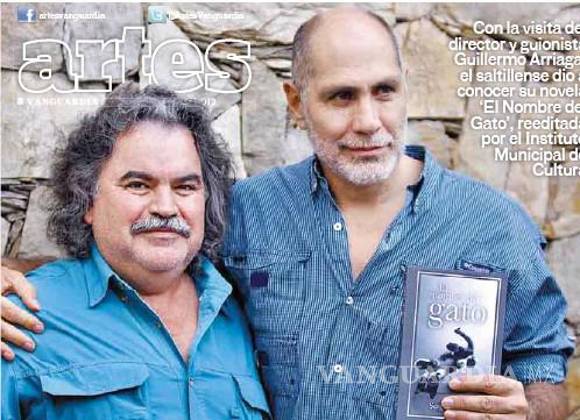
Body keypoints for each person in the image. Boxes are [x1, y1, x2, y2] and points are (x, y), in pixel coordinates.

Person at [1, 6, 574, 420]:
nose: (368, 121)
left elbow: (545, 368)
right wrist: (11, 282)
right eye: (341, 96)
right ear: (296, 103)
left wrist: (528, 409)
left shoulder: (495, 224)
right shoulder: (250, 212)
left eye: (384, 91)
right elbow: (140, 260)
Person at [1, 83, 270, 419]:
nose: (165, 207)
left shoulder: (250, 312)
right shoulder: (20, 319)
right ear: (87, 200)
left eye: (185, 186)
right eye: (139, 185)